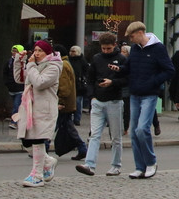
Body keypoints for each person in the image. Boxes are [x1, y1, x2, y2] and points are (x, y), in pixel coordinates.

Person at [124, 21, 174, 179]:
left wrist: (153, 82)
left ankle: (151, 162)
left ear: (140, 33)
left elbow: (169, 70)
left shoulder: (158, 48)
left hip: (149, 94)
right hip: (135, 93)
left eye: (132, 36)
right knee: (133, 132)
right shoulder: (135, 49)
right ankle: (140, 167)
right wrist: (118, 69)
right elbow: (129, 67)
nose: (130, 40)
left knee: (142, 129)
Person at [77, 33, 127, 176]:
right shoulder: (96, 59)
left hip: (114, 101)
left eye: (108, 48)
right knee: (94, 135)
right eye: (103, 48)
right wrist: (91, 96)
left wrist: (113, 82)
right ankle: (89, 164)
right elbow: (90, 78)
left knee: (116, 137)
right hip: (98, 101)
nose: (105, 51)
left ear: (115, 45)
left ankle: (116, 165)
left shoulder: (122, 59)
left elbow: (126, 79)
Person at [16, 40, 62, 187]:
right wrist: (20, 61)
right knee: (26, 140)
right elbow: (20, 78)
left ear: (47, 52)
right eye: (35, 50)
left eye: (40, 51)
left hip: (44, 109)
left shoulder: (54, 67)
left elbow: (40, 82)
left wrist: (30, 66)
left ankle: (37, 175)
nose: (36, 53)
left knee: (38, 140)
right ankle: (48, 162)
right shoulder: (33, 66)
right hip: (30, 109)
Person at [53, 44, 87, 161]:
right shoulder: (66, 63)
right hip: (68, 103)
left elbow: (64, 87)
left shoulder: (62, 65)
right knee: (68, 126)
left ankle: (43, 147)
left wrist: (60, 101)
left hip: (64, 104)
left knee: (53, 126)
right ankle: (82, 148)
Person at [5, 45, 25, 128]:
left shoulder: (23, 62)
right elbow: (5, 73)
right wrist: (7, 83)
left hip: (20, 89)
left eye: (16, 51)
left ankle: (14, 122)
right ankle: (19, 120)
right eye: (13, 51)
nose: (14, 53)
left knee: (16, 105)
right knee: (17, 105)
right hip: (12, 88)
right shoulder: (9, 62)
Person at [68, 45, 88, 126]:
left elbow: (86, 71)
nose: (72, 53)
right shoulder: (68, 60)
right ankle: (69, 119)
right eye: (71, 51)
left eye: (74, 51)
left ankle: (77, 119)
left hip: (79, 84)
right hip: (70, 84)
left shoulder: (82, 60)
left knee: (78, 102)